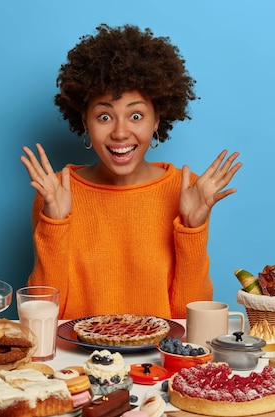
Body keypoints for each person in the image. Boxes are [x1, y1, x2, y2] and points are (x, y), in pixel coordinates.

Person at [20, 24, 241, 319]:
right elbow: (45, 317)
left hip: (158, 361)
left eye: (136, 115)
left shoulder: (186, 191)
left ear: (156, 121)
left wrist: (191, 229)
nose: (121, 132)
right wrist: (55, 224)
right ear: (85, 122)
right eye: (104, 116)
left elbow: (187, 323)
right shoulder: (57, 192)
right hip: (76, 362)